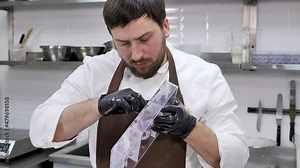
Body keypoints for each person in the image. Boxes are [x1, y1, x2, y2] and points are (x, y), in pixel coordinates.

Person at [29, 0, 249, 167]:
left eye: (145, 39)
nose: (135, 54)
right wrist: (99, 105)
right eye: (123, 43)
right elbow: (40, 130)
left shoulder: (204, 75)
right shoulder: (94, 71)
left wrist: (190, 128)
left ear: (165, 27)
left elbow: (238, 155)